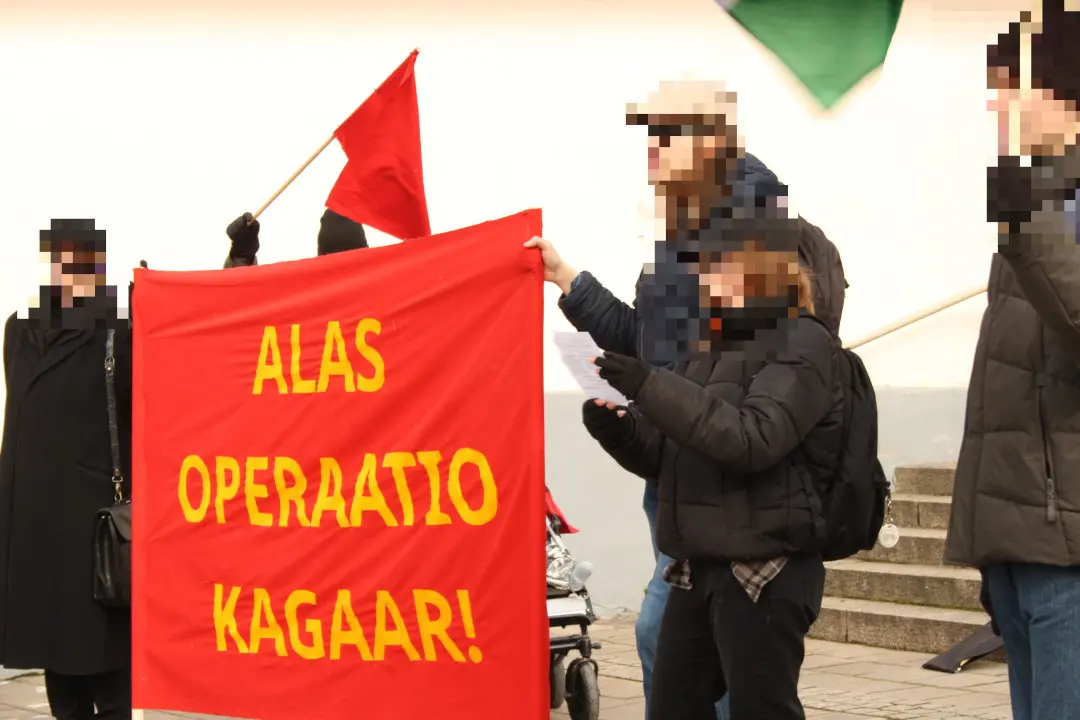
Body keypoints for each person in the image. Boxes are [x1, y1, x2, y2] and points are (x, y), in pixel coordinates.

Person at [525, 80, 846, 718]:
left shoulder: (747, 230)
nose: (653, 152)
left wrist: (649, 385)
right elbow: (649, 344)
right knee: (685, 656)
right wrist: (569, 282)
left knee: (699, 651)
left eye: (667, 137)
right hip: (679, 467)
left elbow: (742, 414)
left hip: (738, 506)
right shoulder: (683, 237)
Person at [586, 213, 841, 718]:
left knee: (761, 710)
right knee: (672, 707)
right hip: (698, 566)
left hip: (763, 570)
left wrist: (650, 386)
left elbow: (753, 438)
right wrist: (619, 430)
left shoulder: (803, 341)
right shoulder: (704, 346)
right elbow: (667, 455)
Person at [944, 8, 1080, 720]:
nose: (999, 109)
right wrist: (986, 543)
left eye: (1013, 90)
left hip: (1068, 550)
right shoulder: (1041, 206)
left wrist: (1029, 224)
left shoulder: (1045, 216)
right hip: (1020, 543)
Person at [0, 219, 133, 720]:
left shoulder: (119, 332)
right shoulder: (20, 330)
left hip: (92, 539)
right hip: (45, 538)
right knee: (66, 678)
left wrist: (236, 262)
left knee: (106, 681)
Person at [223, 206, 370, 267]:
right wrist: (242, 255)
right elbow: (243, 306)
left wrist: (241, 258)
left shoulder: (381, 295)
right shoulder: (300, 298)